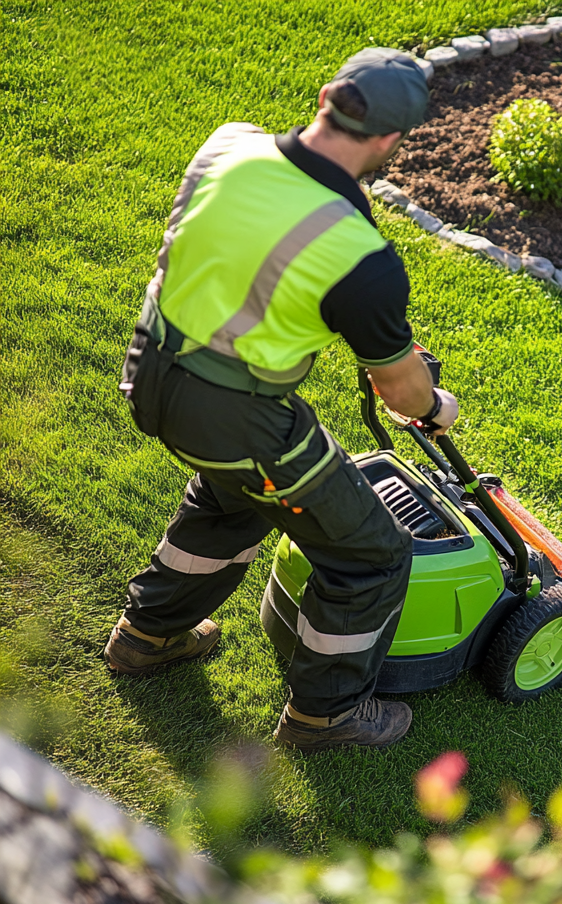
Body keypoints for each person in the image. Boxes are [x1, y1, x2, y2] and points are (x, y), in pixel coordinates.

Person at [103, 48, 457, 753]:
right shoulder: (361, 258)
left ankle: (147, 635)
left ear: (329, 95)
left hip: (150, 374)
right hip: (240, 420)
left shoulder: (227, 146)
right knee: (372, 555)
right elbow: (399, 387)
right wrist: (431, 405)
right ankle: (326, 716)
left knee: (232, 498)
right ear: (391, 141)